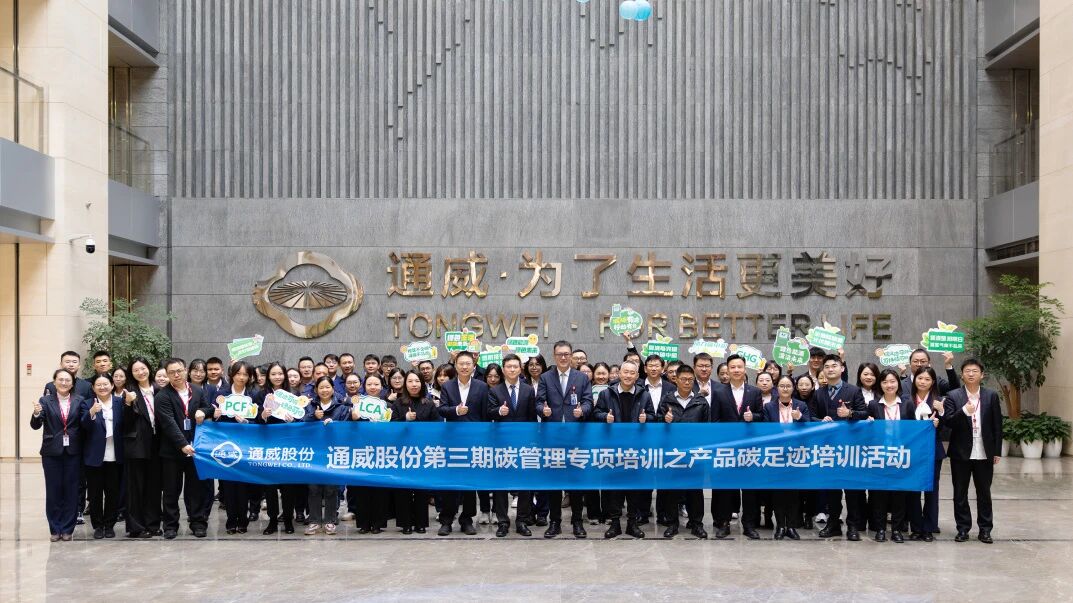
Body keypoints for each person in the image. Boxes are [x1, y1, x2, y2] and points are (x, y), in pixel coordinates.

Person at [536, 341, 593, 539]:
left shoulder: (581, 377)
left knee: (575, 481)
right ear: (554, 356)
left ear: (571, 356)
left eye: (566, 354)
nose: (563, 357)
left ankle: (577, 521)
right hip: (553, 437)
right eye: (559, 354)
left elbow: (588, 401)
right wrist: (542, 410)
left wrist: (582, 410)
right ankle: (555, 522)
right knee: (554, 481)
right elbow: (538, 402)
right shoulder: (546, 377)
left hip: (575, 436)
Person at [592, 359, 653, 539]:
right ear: (619, 374)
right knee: (614, 489)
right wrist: (605, 417)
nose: (628, 375)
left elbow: (653, 416)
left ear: (637, 375)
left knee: (634, 489)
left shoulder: (644, 395)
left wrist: (647, 419)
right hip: (613, 449)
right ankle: (615, 523)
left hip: (636, 450)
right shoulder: (606, 394)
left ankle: (632, 524)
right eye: (625, 372)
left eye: (632, 373)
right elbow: (596, 413)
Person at [944, 358, 1002, 544]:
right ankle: (963, 529)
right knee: (960, 493)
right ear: (961, 375)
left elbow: (997, 425)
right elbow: (948, 422)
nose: (971, 374)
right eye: (967, 371)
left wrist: (997, 450)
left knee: (984, 492)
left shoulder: (991, 396)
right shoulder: (953, 396)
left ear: (982, 375)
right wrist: (963, 411)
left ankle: (985, 530)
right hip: (960, 452)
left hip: (984, 451)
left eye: (975, 371)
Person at [155, 358, 214, 539]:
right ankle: (170, 525)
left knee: (195, 489)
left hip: (195, 448)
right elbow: (168, 423)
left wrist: (204, 411)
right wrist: (182, 444)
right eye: (171, 372)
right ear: (167, 374)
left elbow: (209, 408)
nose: (176, 375)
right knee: (171, 490)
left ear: (185, 370)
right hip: (172, 451)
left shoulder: (197, 390)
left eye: (179, 371)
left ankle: (197, 523)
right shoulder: (162, 396)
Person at [815, 353, 868, 541]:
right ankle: (833, 525)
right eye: (827, 366)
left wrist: (850, 413)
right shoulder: (819, 392)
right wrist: (820, 420)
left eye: (834, 366)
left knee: (851, 489)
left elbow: (864, 413)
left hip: (849, 448)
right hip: (828, 449)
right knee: (832, 489)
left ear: (842, 368)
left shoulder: (853, 390)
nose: (830, 369)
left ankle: (853, 526)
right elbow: (810, 416)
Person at [710, 354, 763, 539]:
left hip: (749, 448)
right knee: (725, 488)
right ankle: (724, 523)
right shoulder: (718, 392)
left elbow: (762, 417)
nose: (736, 370)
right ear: (728, 370)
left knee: (749, 489)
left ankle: (749, 524)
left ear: (745, 368)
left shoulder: (754, 392)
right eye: (732, 367)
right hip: (727, 448)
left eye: (739, 367)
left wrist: (753, 417)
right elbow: (715, 420)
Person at [436, 351, 488, 536]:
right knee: (451, 482)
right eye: (461, 363)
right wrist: (456, 410)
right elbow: (442, 409)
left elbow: (485, 415)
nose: (465, 366)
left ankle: (467, 519)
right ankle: (446, 520)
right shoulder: (447, 386)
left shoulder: (482, 386)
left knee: (469, 483)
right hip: (453, 441)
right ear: (455, 365)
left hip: (474, 442)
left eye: (468, 363)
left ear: (474, 366)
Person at [486, 354, 538, 537]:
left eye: (515, 366)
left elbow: (532, 417)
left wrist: (532, 442)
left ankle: (522, 520)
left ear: (520, 369)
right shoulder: (495, 391)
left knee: (525, 484)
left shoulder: (528, 390)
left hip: (524, 444)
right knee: (500, 485)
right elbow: (489, 412)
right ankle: (503, 522)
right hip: (502, 444)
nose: (512, 369)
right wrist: (499, 411)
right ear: (503, 369)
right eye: (509, 366)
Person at [32, 369, 86, 541]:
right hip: (51, 451)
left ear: (72, 383)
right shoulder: (45, 401)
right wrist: (36, 413)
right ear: (54, 382)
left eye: (67, 380)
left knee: (71, 490)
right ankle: (55, 529)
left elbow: (83, 424)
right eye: (60, 379)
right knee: (53, 490)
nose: (64, 383)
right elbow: (36, 425)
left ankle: (68, 528)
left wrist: (92, 413)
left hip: (73, 451)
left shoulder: (79, 400)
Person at [656, 364, 709, 539]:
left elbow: (707, 428)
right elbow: (656, 424)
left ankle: (696, 524)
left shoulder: (701, 401)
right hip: (673, 453)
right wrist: (664, 420)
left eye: (690, 380)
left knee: (695, 491)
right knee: (672, 490)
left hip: (695, 453)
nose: (687, 382)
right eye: (683, 379)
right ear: (676, 380)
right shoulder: (667, 400)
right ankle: (672, 524)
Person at [866, 368, 912, 543]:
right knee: (879, 495)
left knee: (899, 494)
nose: (889, 385)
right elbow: (868, 431)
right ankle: (880, 529)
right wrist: (867, 423)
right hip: (880, 455)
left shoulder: (907, 404)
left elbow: (914, 428)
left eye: (892, 381)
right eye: (885, 382)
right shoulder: (873, 405)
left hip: (901, 455)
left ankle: (897, 530)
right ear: (880, 385)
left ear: (898, 383)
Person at [212, 361, 258, 534]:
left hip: (246, 446)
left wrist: (247, 422)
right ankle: (231, 521)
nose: (241, 377)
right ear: (232, 375)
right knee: (229, 485)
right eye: (238, 373)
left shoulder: (253, 395)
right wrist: (215, 416)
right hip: (226, 445)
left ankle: (243, 521)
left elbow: (259, 420)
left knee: (244, 484)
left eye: (245, 374)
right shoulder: (221, 394)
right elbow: (213, 417)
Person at [762, 375, 811, 540]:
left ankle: (791, 526)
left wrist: (800, 418)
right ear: (777, 388)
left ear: (793, 388)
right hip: (776, 455)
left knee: (793, 493)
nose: (785, 389)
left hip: (796, 454)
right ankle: (780, 526)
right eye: (782, 386)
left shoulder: (801, 405)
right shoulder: (769, 407)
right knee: (778, 493)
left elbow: (809, 427)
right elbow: (766, 430)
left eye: (788, 386)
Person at [256, 362, 302, 535]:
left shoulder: (294, 395)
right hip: (268, 446)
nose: (277, 377)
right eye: (273, 374)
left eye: (280, 374)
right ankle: (273, 520)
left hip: (288, 446)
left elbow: (302, 419)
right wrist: (263, 416)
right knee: (270, 486)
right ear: (268, 376)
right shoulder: (261, 395)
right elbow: (254, 419)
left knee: (289, 486)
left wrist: (293, 420)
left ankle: (288, 519)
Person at [390, 370, 437, 534]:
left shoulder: (429, 403)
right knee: (403, 489)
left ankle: (421, 522)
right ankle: (405, 523)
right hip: (402, 452)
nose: (414, 384)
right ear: (405, 384)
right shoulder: (398, 403)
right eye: (410, 381)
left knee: (421, 489)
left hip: (423, 452)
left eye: (417, 381)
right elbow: (391, 427)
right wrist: (405, 419)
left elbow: (436, 427)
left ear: (422, 384)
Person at [82, 372, 128, 539]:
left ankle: (109, 525)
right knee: (95, 494)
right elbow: (83, 427)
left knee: (112, 493)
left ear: (112, 385)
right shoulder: (87, 403)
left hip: (115, 455)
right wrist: (91, 413)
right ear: (93, 388)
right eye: (98, 385)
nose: (102, 387)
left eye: (105, 384)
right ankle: (98, 526)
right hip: (94, 456)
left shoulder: (120, 402)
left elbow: (127, 423)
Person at [905, 366, 948, 542]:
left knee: (931, 490)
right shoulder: (907, 400)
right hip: (912, 451)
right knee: (913, 490)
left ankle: (929, 527)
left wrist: (941, 416)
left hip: (933, 451)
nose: (923, 382)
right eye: (920, 378)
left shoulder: (938, 401)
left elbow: (947, 427)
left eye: (927, 379)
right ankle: (916, 527)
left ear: (933, 382)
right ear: (915, 379)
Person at [304, 376, 349, 535]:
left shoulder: (341, 407)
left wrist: (334, 426)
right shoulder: (310, 406)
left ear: (333, 388)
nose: (324, 390)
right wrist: (313, 417)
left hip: (333, 452)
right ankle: (314, 521)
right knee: (313, 488)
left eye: (327, 387)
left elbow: (346, 428)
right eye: (321, 387)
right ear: (316, 390)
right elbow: (301, 423)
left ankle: (330, 520)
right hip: (314, 453)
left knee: (331, 488)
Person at [123, 357, 162, 538]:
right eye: (136, 370)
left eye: (143, 368)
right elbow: (125, 423)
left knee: (154, 487)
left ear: (149, 368)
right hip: (137, 446)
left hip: (157, 444)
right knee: (136, 488)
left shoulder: (159, 390)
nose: (140, 372)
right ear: (131, 373)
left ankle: (153, 524)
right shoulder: (129, 392)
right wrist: (128, 404)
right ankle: (136, 527)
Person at [351, 373, 390, 534]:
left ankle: (378, 523)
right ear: (364, 386)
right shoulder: (356, 403)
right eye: (369, 384)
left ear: (381, 386)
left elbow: (392, 427)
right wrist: (354, 416)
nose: (373, 387)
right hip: (361, 450)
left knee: (379, 488)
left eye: (376, 384)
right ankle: (363, 523)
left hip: (381, 451)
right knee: (362, 487)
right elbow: (349, 426)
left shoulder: (387, 405)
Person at [476, 363, 504, 525]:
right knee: (482, 476)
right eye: (490, 376)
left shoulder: (504, 391)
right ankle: (485, 510)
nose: (493, 379)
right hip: (483, 439)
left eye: (496, 376)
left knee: (498, 476)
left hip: (501, 440)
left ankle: (496, 511)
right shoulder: (480, 391)